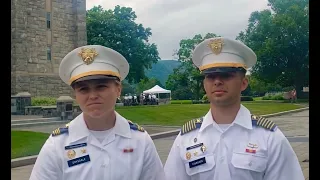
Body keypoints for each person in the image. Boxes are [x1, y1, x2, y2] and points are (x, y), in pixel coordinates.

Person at [164, 37, 304, 180]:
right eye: (210, 76)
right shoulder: (186, 139)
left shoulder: (269, 138)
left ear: (243, 83)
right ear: (204, 84)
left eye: (226, 75)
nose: (217, 81)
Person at [29, 45, 165, 180]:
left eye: (101, 87)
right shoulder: (57, 145)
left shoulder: (140, 140)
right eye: (83, 89)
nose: (93, 95)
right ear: (75, 94)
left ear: (118, 89)